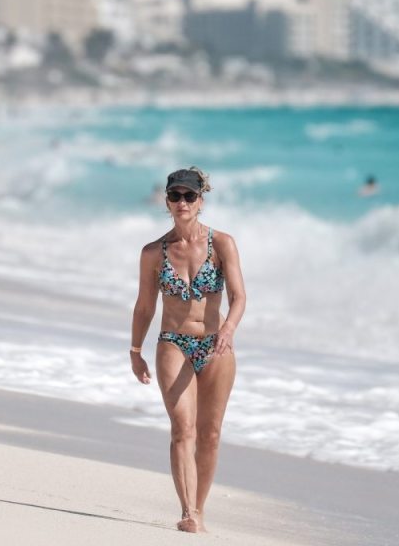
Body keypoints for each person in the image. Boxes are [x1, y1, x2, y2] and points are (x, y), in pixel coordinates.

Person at [128, 166, 246, 533]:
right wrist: (135, 349)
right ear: (167, 201)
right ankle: (187, 513)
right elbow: (145, 306)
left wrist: (227, 329)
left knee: (210, 434)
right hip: (173, 343)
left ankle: (200, 507)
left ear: (201, 201)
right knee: (183, 428)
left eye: (189, 196)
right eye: (176, 196)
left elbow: (239, 297)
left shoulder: (222, 243)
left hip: (216, 345)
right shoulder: (154, 252)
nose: (182, 202)